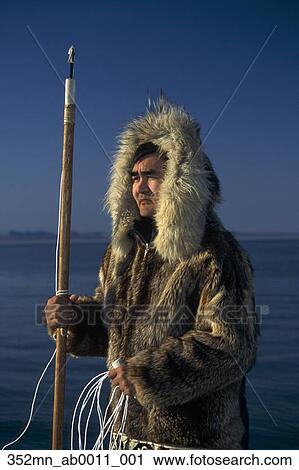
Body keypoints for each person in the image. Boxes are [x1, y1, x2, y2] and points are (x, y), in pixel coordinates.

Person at [45, 99, 259, 450]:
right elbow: (109, 326)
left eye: (152, 176)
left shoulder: (216, 255)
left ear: (180, 180)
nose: (140, 186)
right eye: (134, 177)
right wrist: (74, 320)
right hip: (126, 438)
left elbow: (233, 346)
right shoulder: (122, 253)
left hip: (194, 445)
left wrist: (148, 374)